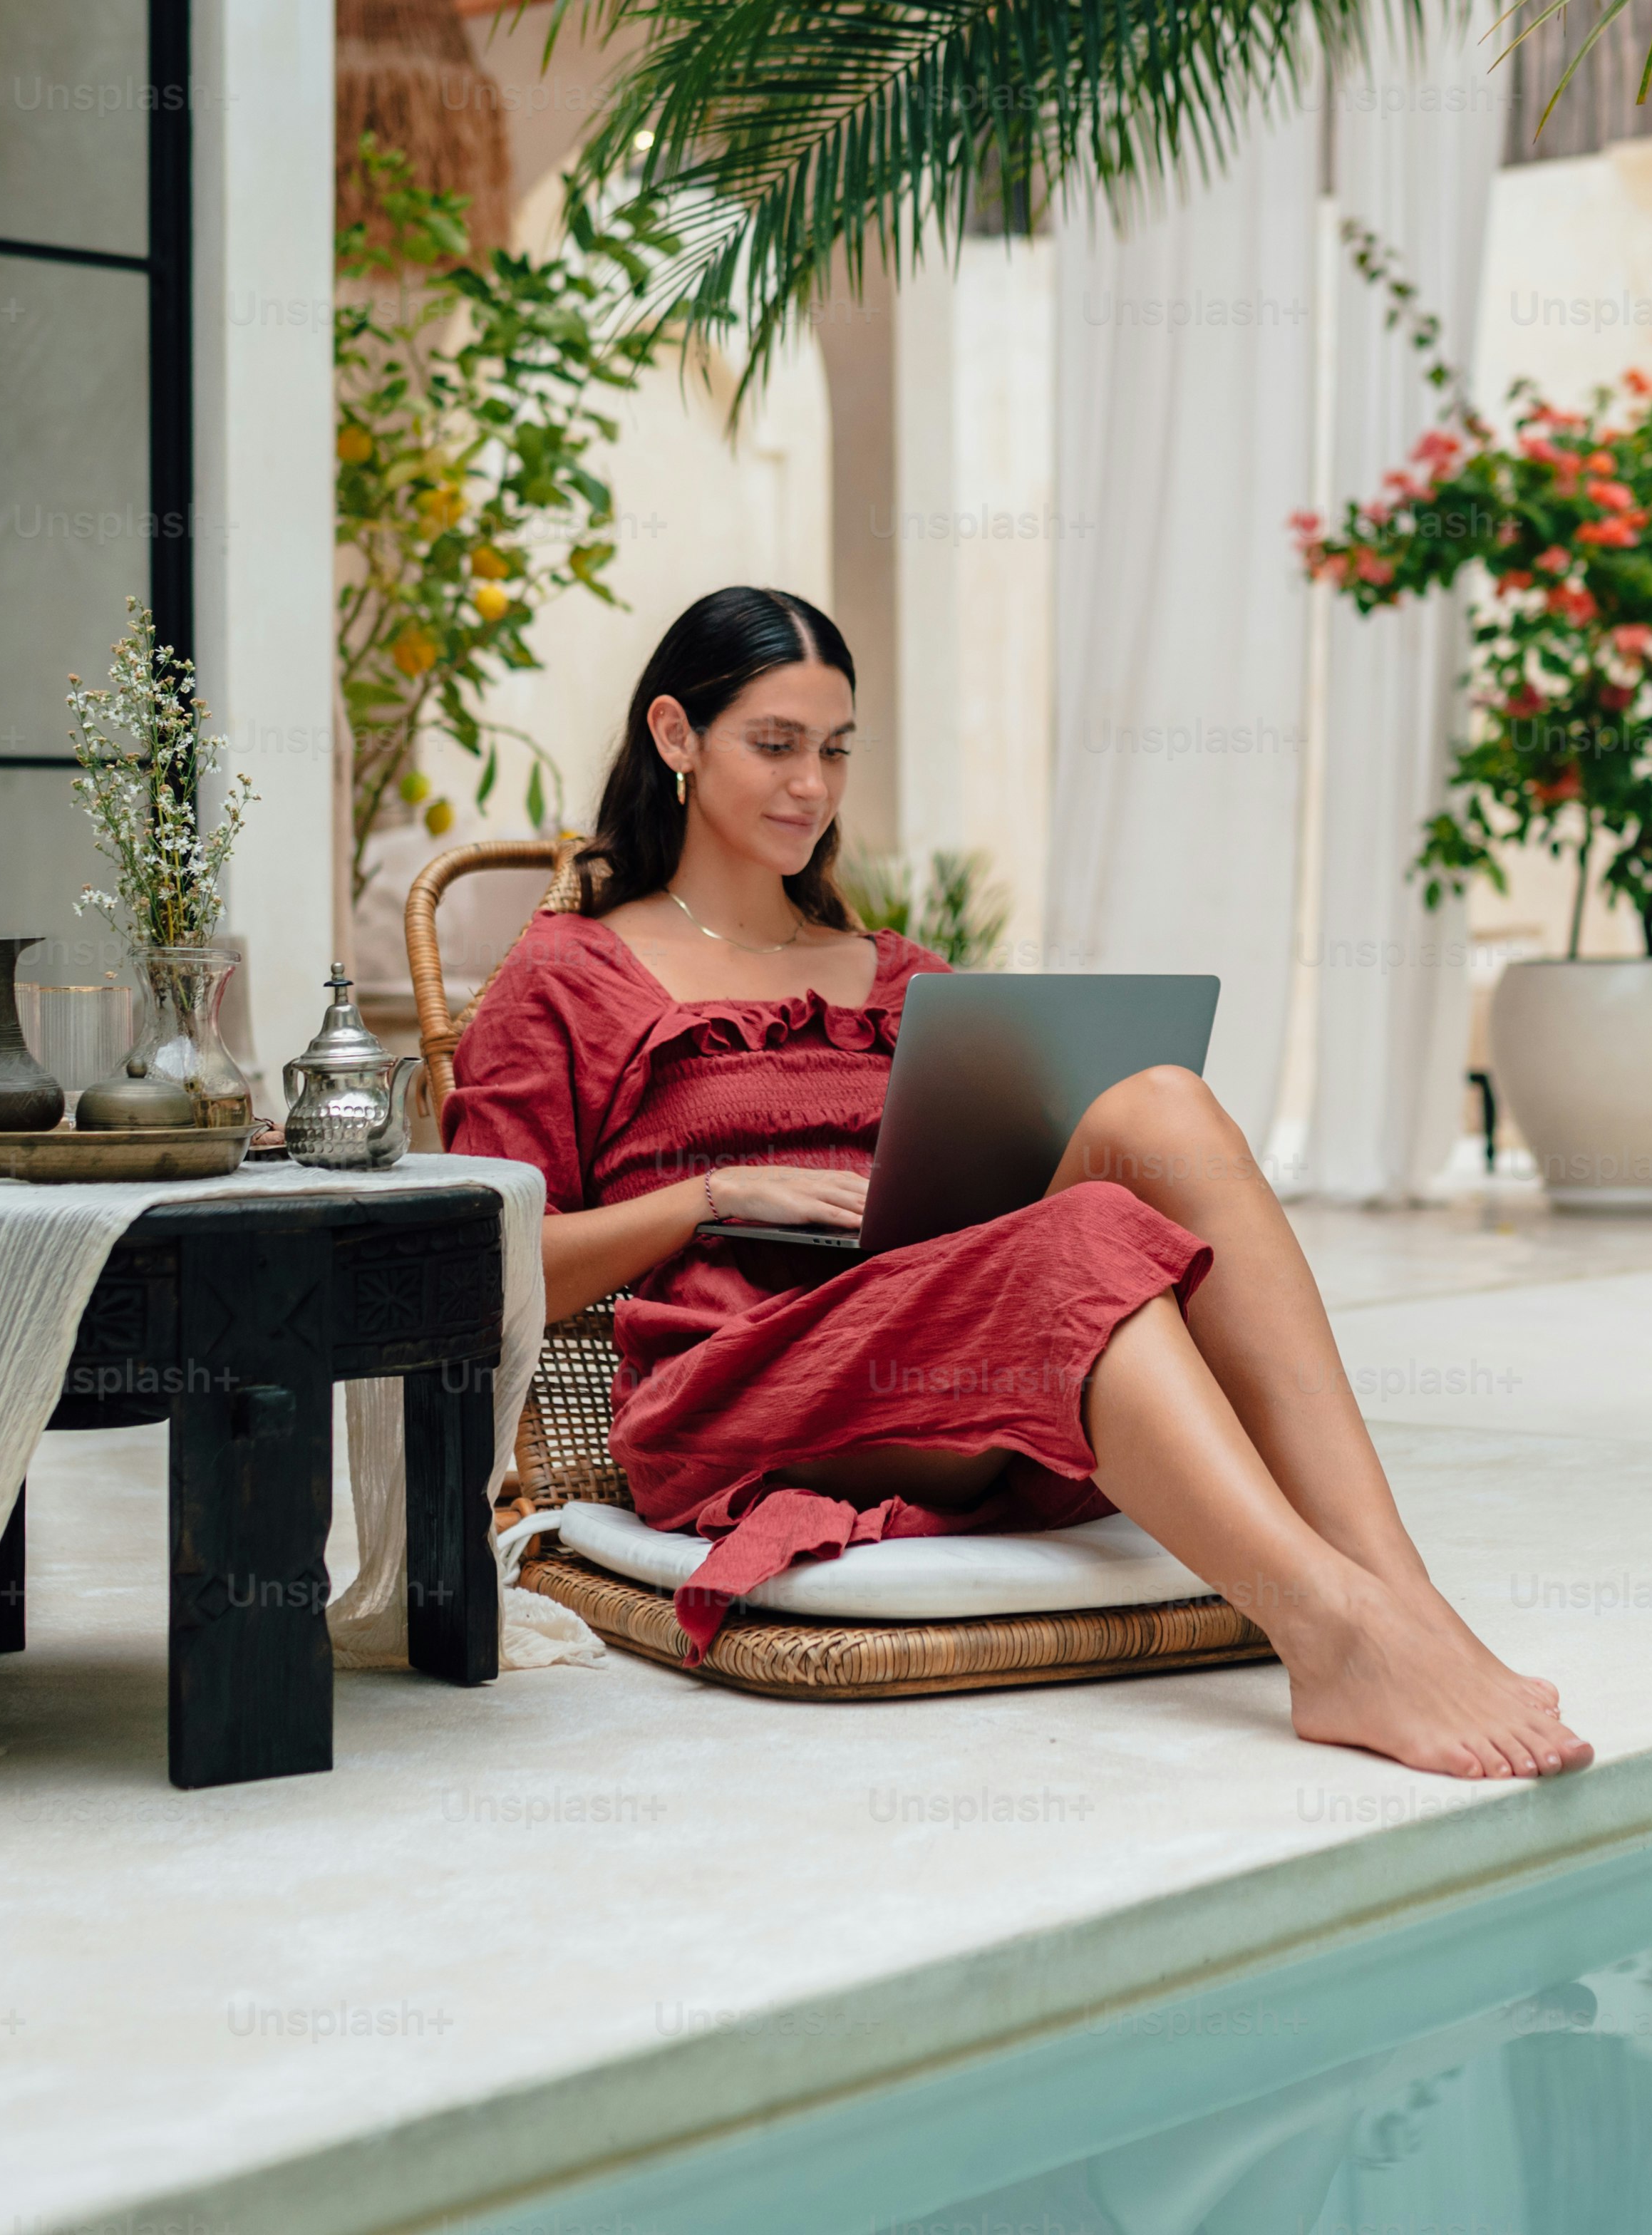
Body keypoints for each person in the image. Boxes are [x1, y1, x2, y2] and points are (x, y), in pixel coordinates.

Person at [445, 584, 1587, 1780]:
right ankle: (1330, 1635)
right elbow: (482, 1260)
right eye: (774, 746)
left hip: (937, 1351)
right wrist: (714, 1196)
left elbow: (1009, 1202)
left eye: (835, 751)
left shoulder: (903, 977)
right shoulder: (569, 971)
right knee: (1088, 1231)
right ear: (676, 736)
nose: (812, 788)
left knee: (1163, 1107)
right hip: (739, 1390)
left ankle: (1405, 1601)